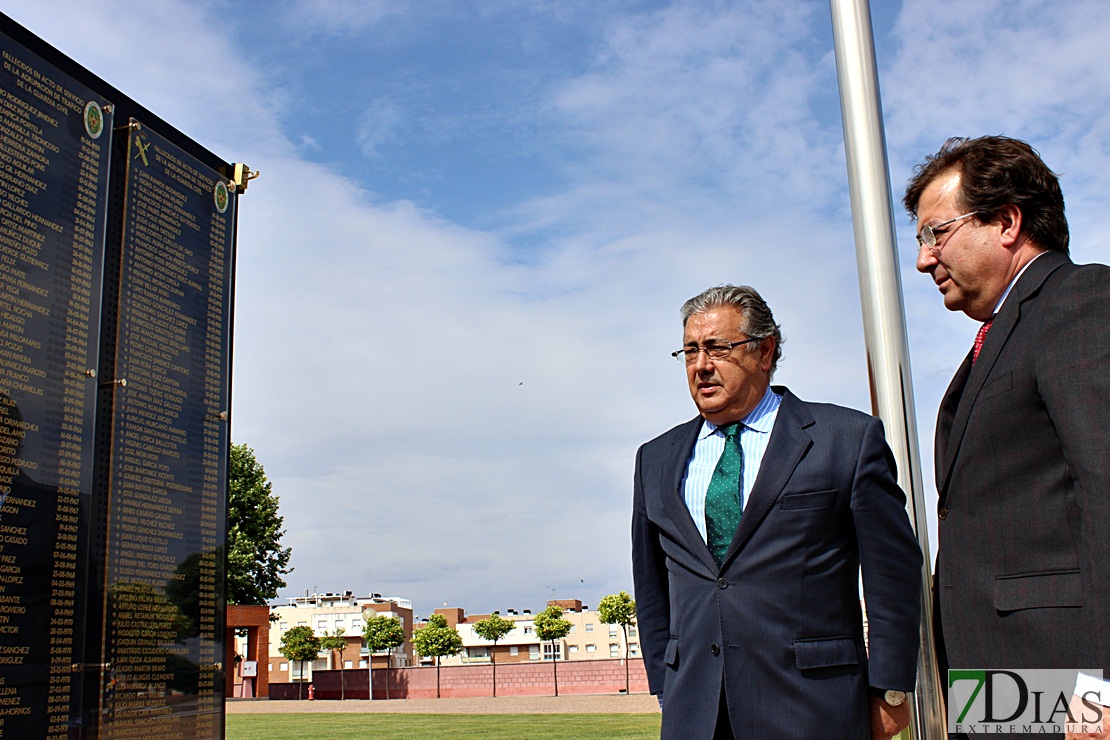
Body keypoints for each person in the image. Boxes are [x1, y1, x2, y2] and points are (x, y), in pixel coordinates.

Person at [631, 285, 922, 740]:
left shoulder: (845, 439)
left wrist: (890, 688)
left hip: (814, 708)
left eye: (718, 349)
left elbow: (894, 575)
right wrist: (666, 686)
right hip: (695, 713)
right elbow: (652, 587)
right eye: (690, 351)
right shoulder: (655, 458)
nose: (701, 366)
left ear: (765, 351)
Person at [903, 135, 1109, 737]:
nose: (923, 259)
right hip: (997, 686)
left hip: (1066, 682)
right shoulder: (1000, 337)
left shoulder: (1081, 304)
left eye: (936, 233)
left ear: (1007, 222)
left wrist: (1102, 686)